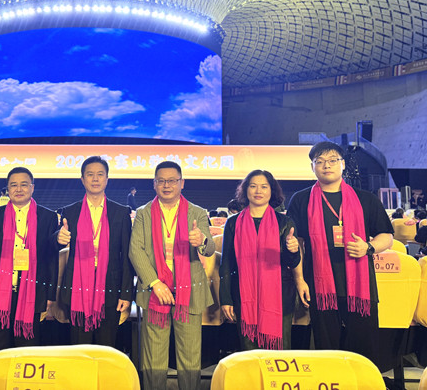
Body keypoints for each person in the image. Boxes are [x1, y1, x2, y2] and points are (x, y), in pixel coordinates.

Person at [287, 141, 393, 363]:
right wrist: (300, 280)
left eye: (333, 160)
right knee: (327, 348)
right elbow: (297, 243)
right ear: (312, 167)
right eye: (320, 161)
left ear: (343, 164)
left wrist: (368, 247)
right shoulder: (301, 199)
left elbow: (387, 236)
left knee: (363, 347)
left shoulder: (366, 199)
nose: (327, 165)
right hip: (319, 285)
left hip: (360, 286)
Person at [129, 161, 216, 390]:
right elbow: (135, 250)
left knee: (190, 357)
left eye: (172, 181)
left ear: (182, 183)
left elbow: (209, 249)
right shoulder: (143, 213)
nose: (166, 185)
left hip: (189, 292)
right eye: (161, 181)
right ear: (154, 184)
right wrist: (155, 283)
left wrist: (202, 241)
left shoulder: (197, 212)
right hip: (154, 292)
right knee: (153, 358)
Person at [220, 170, 309, 351]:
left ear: (272, 191)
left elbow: (292, 262)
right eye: (253, 186)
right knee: (249, 350)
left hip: (280, 295)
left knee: (279, 350)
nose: (258, 191)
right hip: (243, 295)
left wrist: (293, 251)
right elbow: (227, 263)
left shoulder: (285, 222)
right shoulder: (233, 223)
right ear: (245, 190)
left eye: (264, 186)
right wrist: (226, 299)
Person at [0, 167, 58, 357]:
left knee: (26, 354)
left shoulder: (48, 217)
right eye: (13, 185)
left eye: (24, 184)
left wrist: (50, 295)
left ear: (32, 187)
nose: (19, 189)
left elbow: (51, 257)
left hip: (31, 293)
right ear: (8, 189)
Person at [56, 156, 133, 347]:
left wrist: (126, 293)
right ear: (82, 179)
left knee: (106, 348)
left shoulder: (120, 212)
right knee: (79, 348)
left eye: (100, 174)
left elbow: (127, 256)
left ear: (107, 179)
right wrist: (58, 238)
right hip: (78, 287)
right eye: (90, 174)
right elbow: (55, 243)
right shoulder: (70, 212)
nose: (95, 179)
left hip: (110, 288)